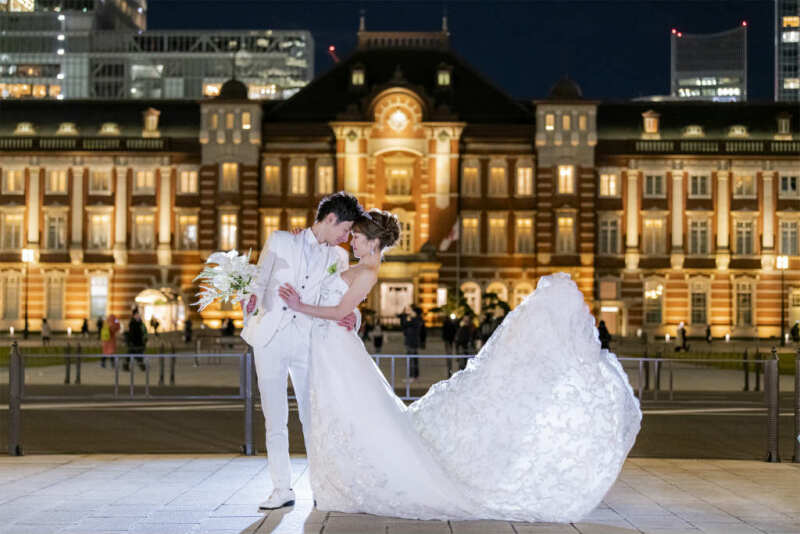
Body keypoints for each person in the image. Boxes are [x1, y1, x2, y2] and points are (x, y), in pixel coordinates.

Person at [278, 212, 641, 522]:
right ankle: (342, 475)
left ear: (373, 242)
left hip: (336, 349)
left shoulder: (369, 270)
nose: (351, 240)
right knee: (339, 413)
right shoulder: (354, 263)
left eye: (356, 236)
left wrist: (300, 306)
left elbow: (340, 309)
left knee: (348, 412)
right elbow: (346, 306)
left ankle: (352, 477)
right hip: (330, 347)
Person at [239, 191, 363, 511]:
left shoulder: (338, 258)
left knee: (313, 417)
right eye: (345, 229)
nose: (346, 237)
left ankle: (321, 488)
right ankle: (281, 488)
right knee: (275, 418)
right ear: (331, 219)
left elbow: (343, 298)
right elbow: (258, 280)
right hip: (270, 339)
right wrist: (249, 300)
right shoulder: (281, 240)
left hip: (309, 342)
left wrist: (353, 317)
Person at [398, 305, 423, 380]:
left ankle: (412, 376)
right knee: (413, 359)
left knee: (411, 359)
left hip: (412, 342)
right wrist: (404, 315)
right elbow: (403, 326)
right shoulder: (413, 319)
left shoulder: (416, 320)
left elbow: (406, 324)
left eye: (411, 311)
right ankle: (415, 375)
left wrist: (405, 316)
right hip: (410, 342)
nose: (409, 312)